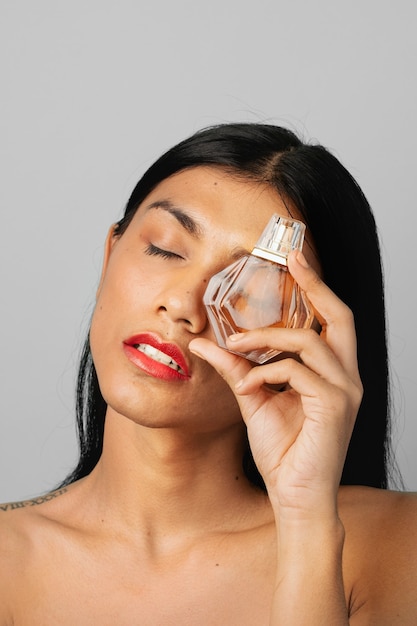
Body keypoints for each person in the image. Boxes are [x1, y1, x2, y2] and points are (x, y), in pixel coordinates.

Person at [1, 123, 416, 624]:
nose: (182, 304)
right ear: (110, 254)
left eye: (255, 290)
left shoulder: (398, 545)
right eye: (165, 249)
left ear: (316, 337)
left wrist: (306, 518)